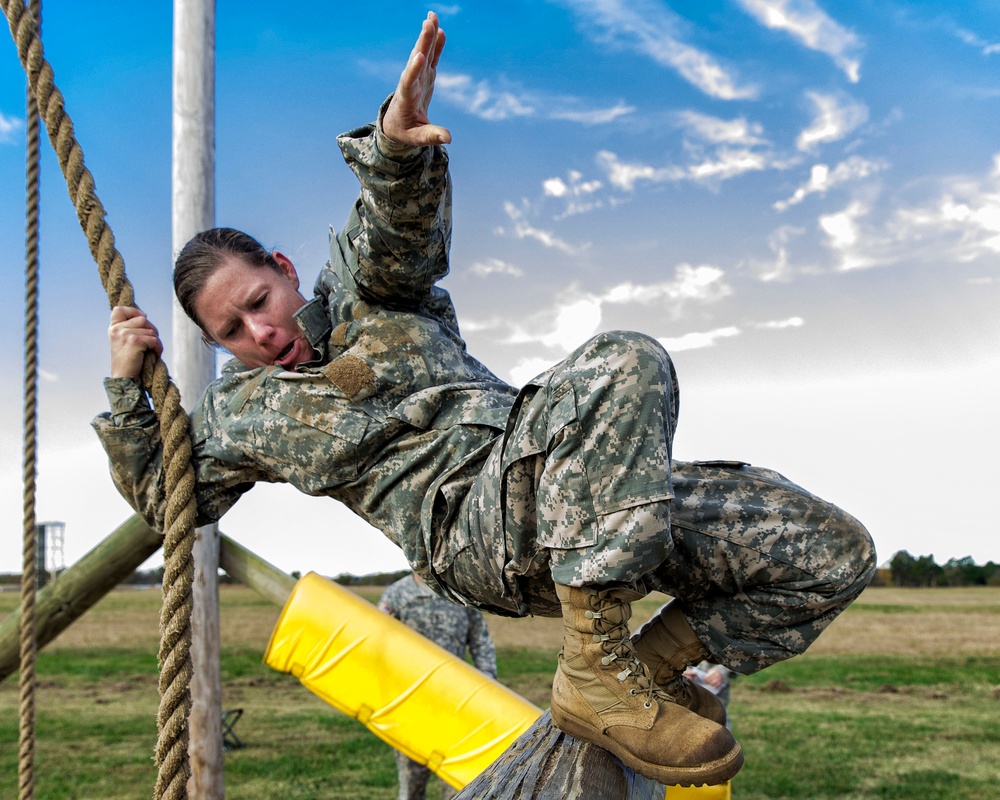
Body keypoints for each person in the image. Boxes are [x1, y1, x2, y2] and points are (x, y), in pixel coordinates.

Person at [94, 12, 876, 788]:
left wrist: (395, 149)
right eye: (232, 330)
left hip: (578, 496)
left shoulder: (370, 294)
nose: (260, 331)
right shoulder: (245, 410)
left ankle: (643, 668)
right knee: (623, 360)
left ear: (288, 269)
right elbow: (173, 505)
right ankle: (600, 665)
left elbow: (395, 235)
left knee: (829, 553)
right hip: (473, 529)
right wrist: (129, 392)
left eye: (260, 299)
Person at [377, 572, 498, 800]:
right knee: (411, 786)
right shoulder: (397, 594)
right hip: (411, 706)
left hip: (455, 706)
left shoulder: (460, 593)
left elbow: (481, 641)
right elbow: (379, 640)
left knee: (458, 786)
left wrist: (487, 685)